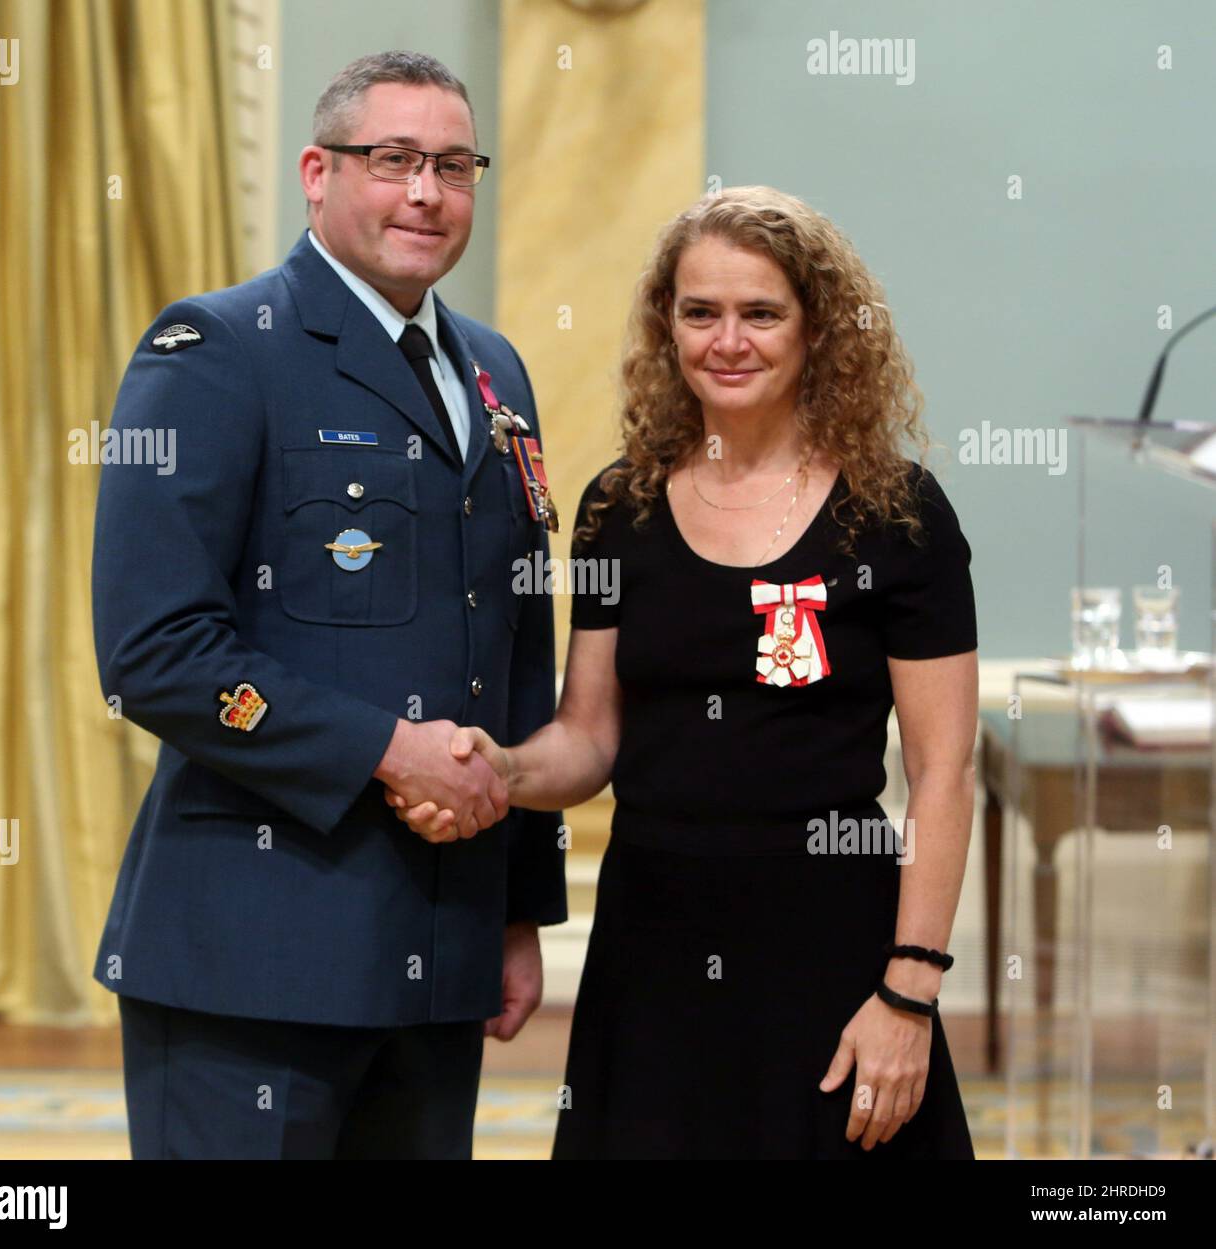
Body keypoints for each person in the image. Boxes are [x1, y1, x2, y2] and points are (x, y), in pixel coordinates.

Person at [389, 186, 979, 1159]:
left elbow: (944, 772)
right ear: (668, 327)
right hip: (652, 939)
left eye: (761, 313)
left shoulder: (898, 514)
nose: (727, 340)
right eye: (699, 312)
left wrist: (907, 990)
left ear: (816, 328)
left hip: (833, 941)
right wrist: (499, 766)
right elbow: (588, 735)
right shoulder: (617, 505)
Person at [90, 51, 565, 1160]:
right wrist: (388, 750)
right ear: (316, 171)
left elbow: (518, 653)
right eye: (391, 159)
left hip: (438, 950)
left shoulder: (494, 373)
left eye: (453, 165)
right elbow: (156, 652)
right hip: (253, 948)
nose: (425, 193)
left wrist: (516, 908)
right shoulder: (214, 349)